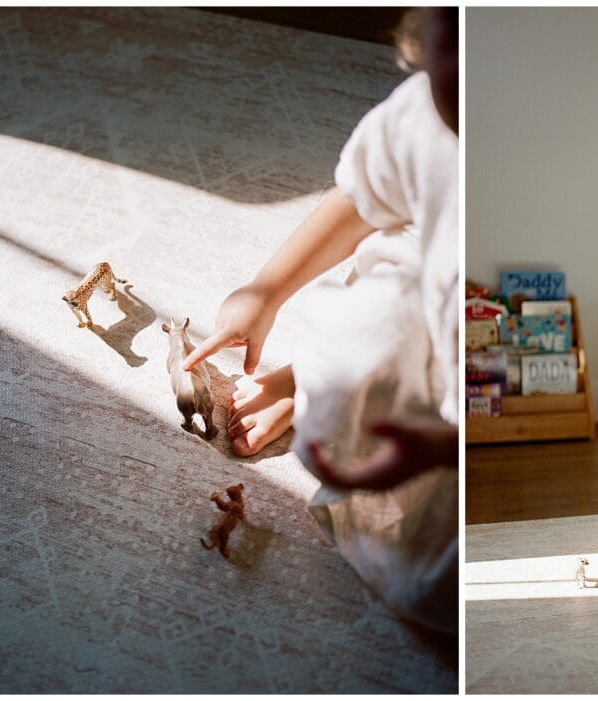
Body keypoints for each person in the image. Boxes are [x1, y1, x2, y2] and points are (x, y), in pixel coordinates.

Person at [184, 7, 459, 633]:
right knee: (358, 361)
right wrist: (266, 291)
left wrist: (443, 448)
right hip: (410, 288)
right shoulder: (422, 115)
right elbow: (361, 200)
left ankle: (309, 382)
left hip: (461, 384)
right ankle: (308, 376)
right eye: (454, 43)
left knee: (430, 587)